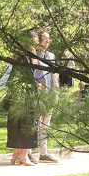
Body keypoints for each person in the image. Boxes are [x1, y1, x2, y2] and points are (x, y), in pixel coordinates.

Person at [0, 29, 44, 166]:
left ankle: (16, 155)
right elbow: (29, 78)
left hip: (16, 95)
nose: (37, 42)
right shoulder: (27, 57)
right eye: (35, 40)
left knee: (16, 125)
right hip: (26, 95)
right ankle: (23, 156)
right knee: (27, 124)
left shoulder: (17, 55)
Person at [34, 28, 60, 163]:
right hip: (38, 94)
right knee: (35, 123)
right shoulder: (34, 56)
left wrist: (56, 92)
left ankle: (43, 153)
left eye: (48, 39)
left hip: (50, 93)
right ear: (37, 40)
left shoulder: (51, 56)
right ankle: (32, 152)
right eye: (44, 39)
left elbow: (55, 76)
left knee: (46, 123)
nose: (47, 41)